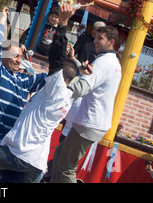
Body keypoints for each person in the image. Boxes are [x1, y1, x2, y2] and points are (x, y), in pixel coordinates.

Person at [0, 4, 87, 183]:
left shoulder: (24, 81)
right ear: (3, 56)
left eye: (20, 57)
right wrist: (1, 22)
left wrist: (72, 63)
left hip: (10, 148)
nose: (19, 60)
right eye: (15, 56)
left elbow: (56, 74)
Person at [50, 25, 122, 183]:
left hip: (88, 123)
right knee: (59, 158)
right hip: (92, 122)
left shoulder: (103, 62)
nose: (95, 41)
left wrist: (58, 90)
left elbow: (82, 87)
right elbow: (90, 76)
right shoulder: (114, 63)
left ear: (111, 42)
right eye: (95, 37)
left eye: (99, 38)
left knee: (65, 167)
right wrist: (75, 61)